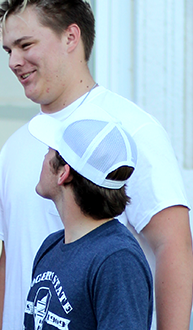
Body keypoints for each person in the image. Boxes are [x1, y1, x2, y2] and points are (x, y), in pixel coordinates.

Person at [0, 0, 193, 330]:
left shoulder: (130, 131)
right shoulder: (16, 146)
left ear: (70, 36)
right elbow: (11, 259)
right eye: (8, 50)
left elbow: (174, 247)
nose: (13, 61)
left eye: (25, 44)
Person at [24, 104, 152, 330]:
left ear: (63, 173)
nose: (43, 158)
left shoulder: (117, 260)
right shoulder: (52, 245)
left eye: (49, 150)